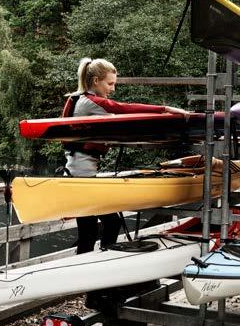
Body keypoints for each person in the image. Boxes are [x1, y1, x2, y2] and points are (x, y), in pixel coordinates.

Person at [64, 57, 186, 254]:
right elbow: (123, 108)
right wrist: (164, 110)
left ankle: (98, 264)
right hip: (81, 178)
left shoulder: (82, 100)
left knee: (92, 230)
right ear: (96, 81)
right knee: (106, 224)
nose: (112, 88)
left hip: (80, 176)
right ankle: (101, 263)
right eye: (110, 83)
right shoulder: (90, 102)